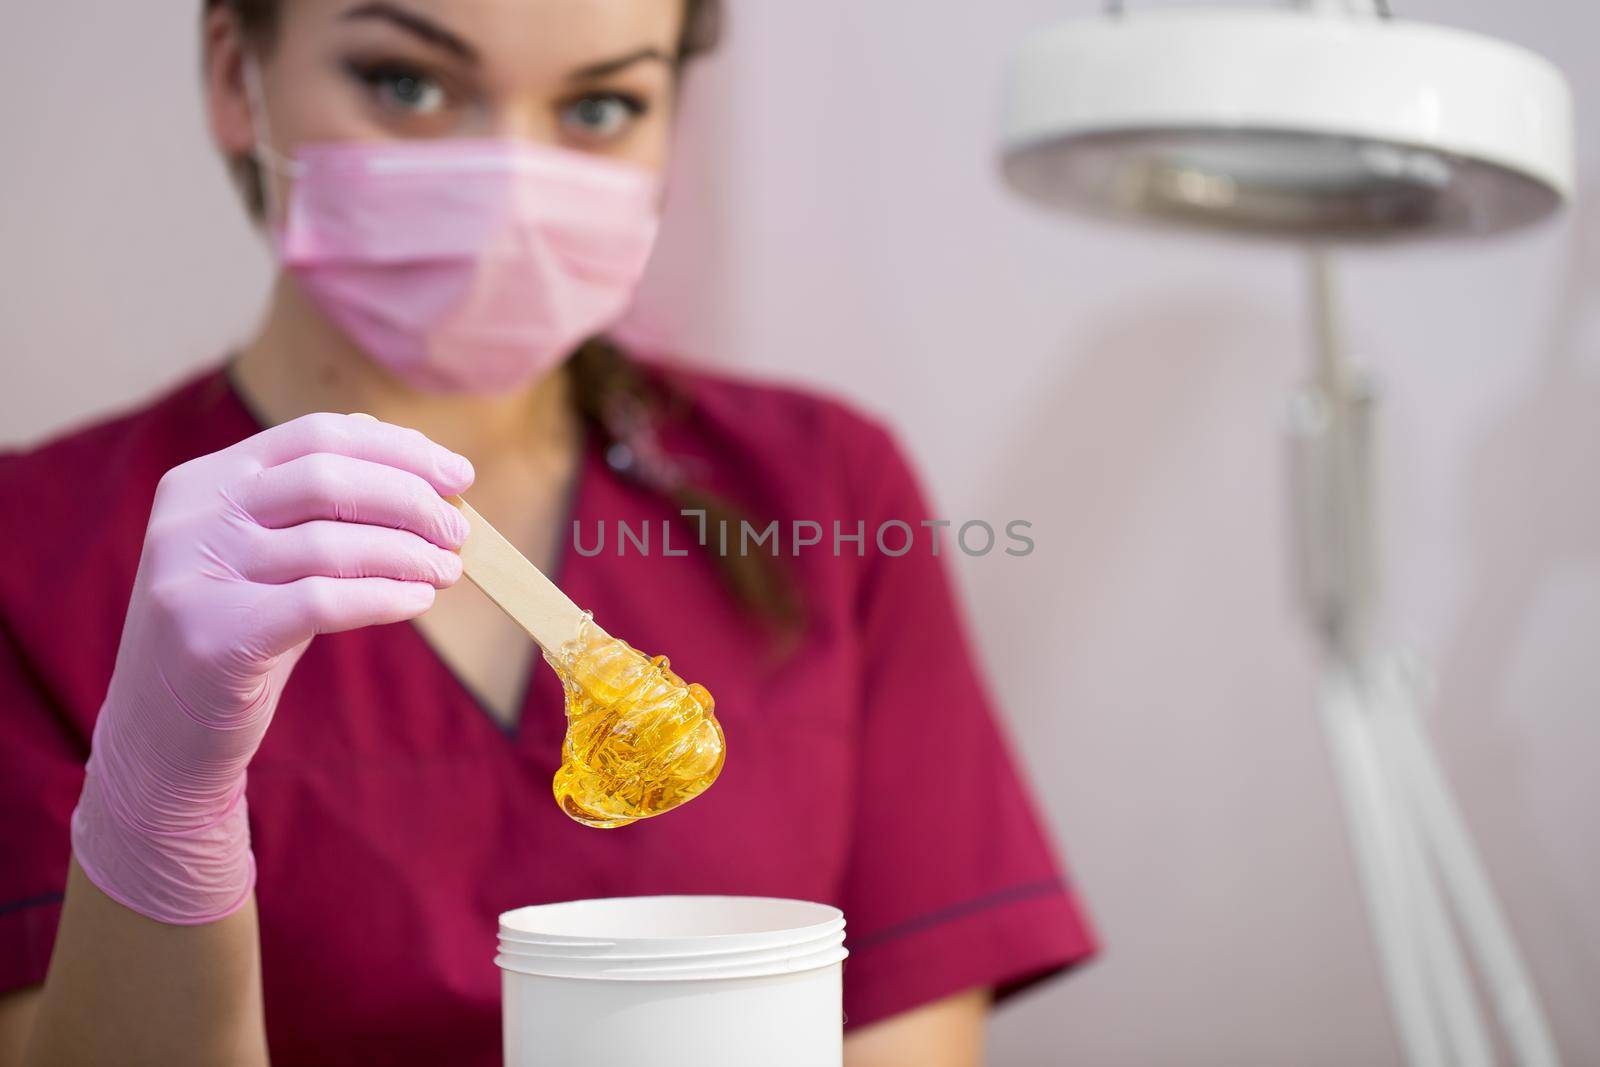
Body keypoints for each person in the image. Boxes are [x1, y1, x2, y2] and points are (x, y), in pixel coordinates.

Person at [0, 1, 1096, 1063]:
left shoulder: (827, 488)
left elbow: (905, 1035)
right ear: (236, 72)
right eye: (409, 83)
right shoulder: (32, 553)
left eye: (601, 106)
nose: (512, 193)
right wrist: (156, 810)